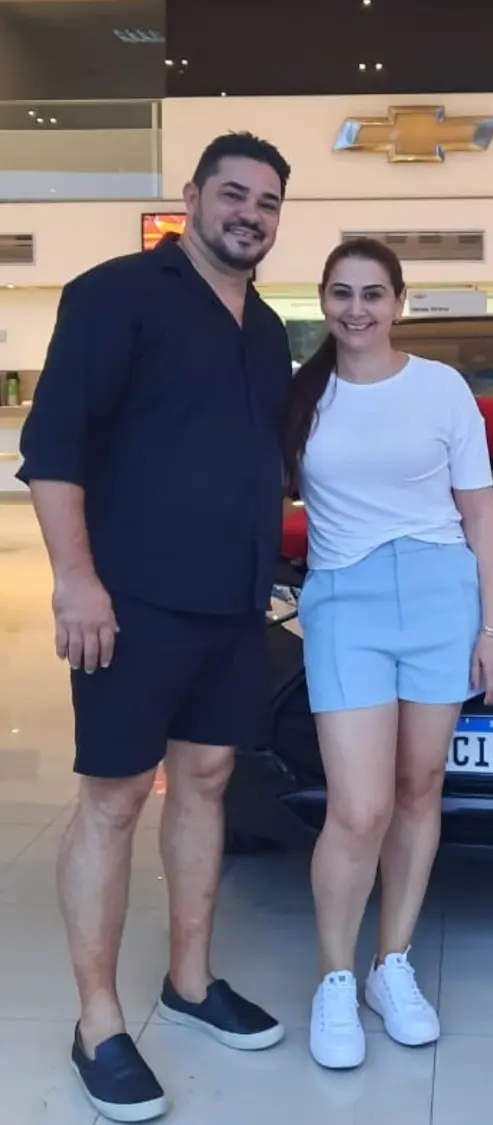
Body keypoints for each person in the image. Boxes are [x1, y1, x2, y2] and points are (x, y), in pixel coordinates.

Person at [17, 132, 294, 1122]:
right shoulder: (114, 295)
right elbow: (54, 448)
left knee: (208, 779)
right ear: (192, 196)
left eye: (268, 202)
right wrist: (76, 582)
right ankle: (98, 1022)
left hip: (234, 603)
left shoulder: (267, 329)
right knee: (114, 797)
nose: (250, 213)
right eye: (234, 193)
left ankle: (188, 981)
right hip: (130, 601)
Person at [282, 237, 493, 1070]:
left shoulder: (441, 388)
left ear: (398, 301)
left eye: (373, 293)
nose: (357, 309)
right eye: (342, 293)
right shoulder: (300, 395)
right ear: (323, 299)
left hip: (442, 598)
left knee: (420, 787)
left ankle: (392, 964)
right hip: (344, 605)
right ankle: (334, 977)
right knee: (358, 807)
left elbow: (481, 514)